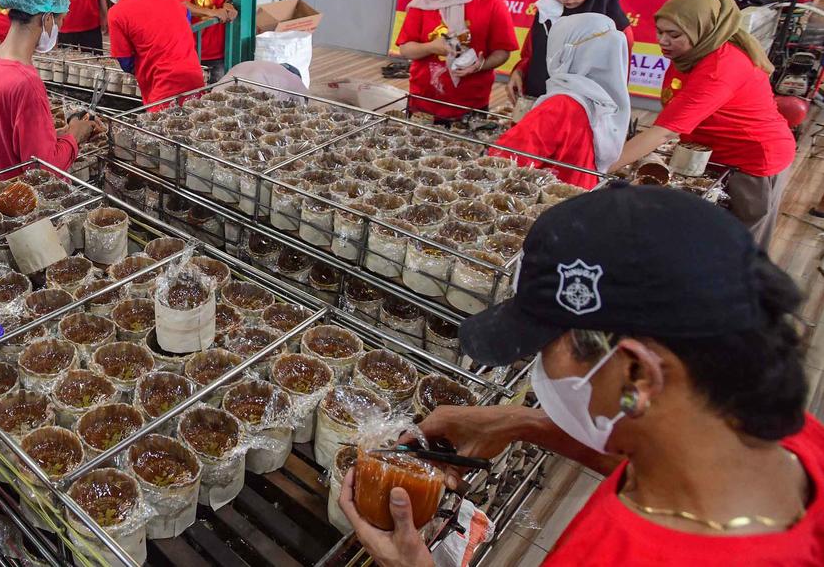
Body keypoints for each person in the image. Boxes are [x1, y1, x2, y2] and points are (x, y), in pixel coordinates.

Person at [339, 184, 823, 566]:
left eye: (545, 345)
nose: (537, 366)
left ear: (637, 372)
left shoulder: (611, 556)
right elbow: (670, 454)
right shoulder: (787, 442)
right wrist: (521, 423)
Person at [609, 0, 795, 248]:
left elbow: (662, 131)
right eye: (660, 31)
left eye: (674, 35)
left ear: (703, 30)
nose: (663, 41)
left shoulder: (719, 69)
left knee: (739, 242)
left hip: (752, 160)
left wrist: (602, 168)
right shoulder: (691, 54)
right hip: (714, 152)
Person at [0, 0, 101, 180]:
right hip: (27, 201)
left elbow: (9, 140)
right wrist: (75, 136)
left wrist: (59, 135)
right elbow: (43, 170)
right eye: (60, 20)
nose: (60, 27)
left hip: (2, 189)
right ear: (47, 19)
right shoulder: (26, 83)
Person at [489, 13, 630, 189]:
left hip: (554, 200)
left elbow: (504, 160)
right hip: (581, 192)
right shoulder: (601, 99)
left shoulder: (561, 104)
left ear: (567, 53)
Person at [396, 0, 517, 121]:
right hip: (425, 98)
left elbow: (503, 52)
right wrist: (431, 47)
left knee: (465, 147)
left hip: (471, 100)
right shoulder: (425, 2)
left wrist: (480, 66)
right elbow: (405, 49)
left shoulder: (492, 3)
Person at [507, 0, 634, 118]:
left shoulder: (614, 28)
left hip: (581, 116)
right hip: (536, 103)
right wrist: (519, 71)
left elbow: (615, 86)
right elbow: (532, 53)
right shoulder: (548, 12)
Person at [100, 0, 204, 110]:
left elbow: (126, 62)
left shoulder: (117, 13)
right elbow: (186, 16)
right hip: (194, 78)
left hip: (163, 87)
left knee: (162, 131)